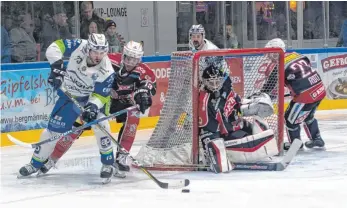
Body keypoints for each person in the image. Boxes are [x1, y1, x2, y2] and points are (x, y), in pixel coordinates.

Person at [38, 40, 156, 174]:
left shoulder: (144, 71)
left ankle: (121, 158)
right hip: (99, 100)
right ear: (123, 55)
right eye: (128, 58)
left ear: (139, 59)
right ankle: (52, 159)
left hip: (121, 102)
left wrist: (143, 94)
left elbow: (149, 85)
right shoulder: (109, 60)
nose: (130, 63)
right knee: (77, 125)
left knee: (134, 115)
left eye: (135, 60)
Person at [18, 33, 116, 182]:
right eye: (95, 52)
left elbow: (102, 96)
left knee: (101, 125)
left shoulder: (107, 69)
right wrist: (57, 68)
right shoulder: (79, 46)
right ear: (88, 48)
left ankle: (108, 164)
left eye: (102, 53)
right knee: (51, 132)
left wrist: (92, 107)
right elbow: (54, 47)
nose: (98, 56)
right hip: (69, 95)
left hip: (91, 98)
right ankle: (35, 163)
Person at [199, 63, 278, 173]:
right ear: (204, 82)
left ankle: (263, 151)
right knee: (264, 139)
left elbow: (238, 106)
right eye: (211, 83)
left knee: (260, 124)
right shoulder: (205, 102)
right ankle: (257, 152)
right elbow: (209, 132)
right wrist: (215, 154)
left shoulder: (227, 90)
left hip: (236, 126)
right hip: (228, 135)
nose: (215, 85)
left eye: (217, 81)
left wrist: (250, 105)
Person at [262, 38, 326, 150]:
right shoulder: (296, 54)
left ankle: (295, 144)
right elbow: (306, 68)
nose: (268, 56)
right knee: (308, 116)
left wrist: (260, 95)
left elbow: (268, 87)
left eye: (269, 53)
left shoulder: (280, 65)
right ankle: (317, 138)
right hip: (319, 88)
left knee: (289, 119)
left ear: (275, 52)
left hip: (305, 95)